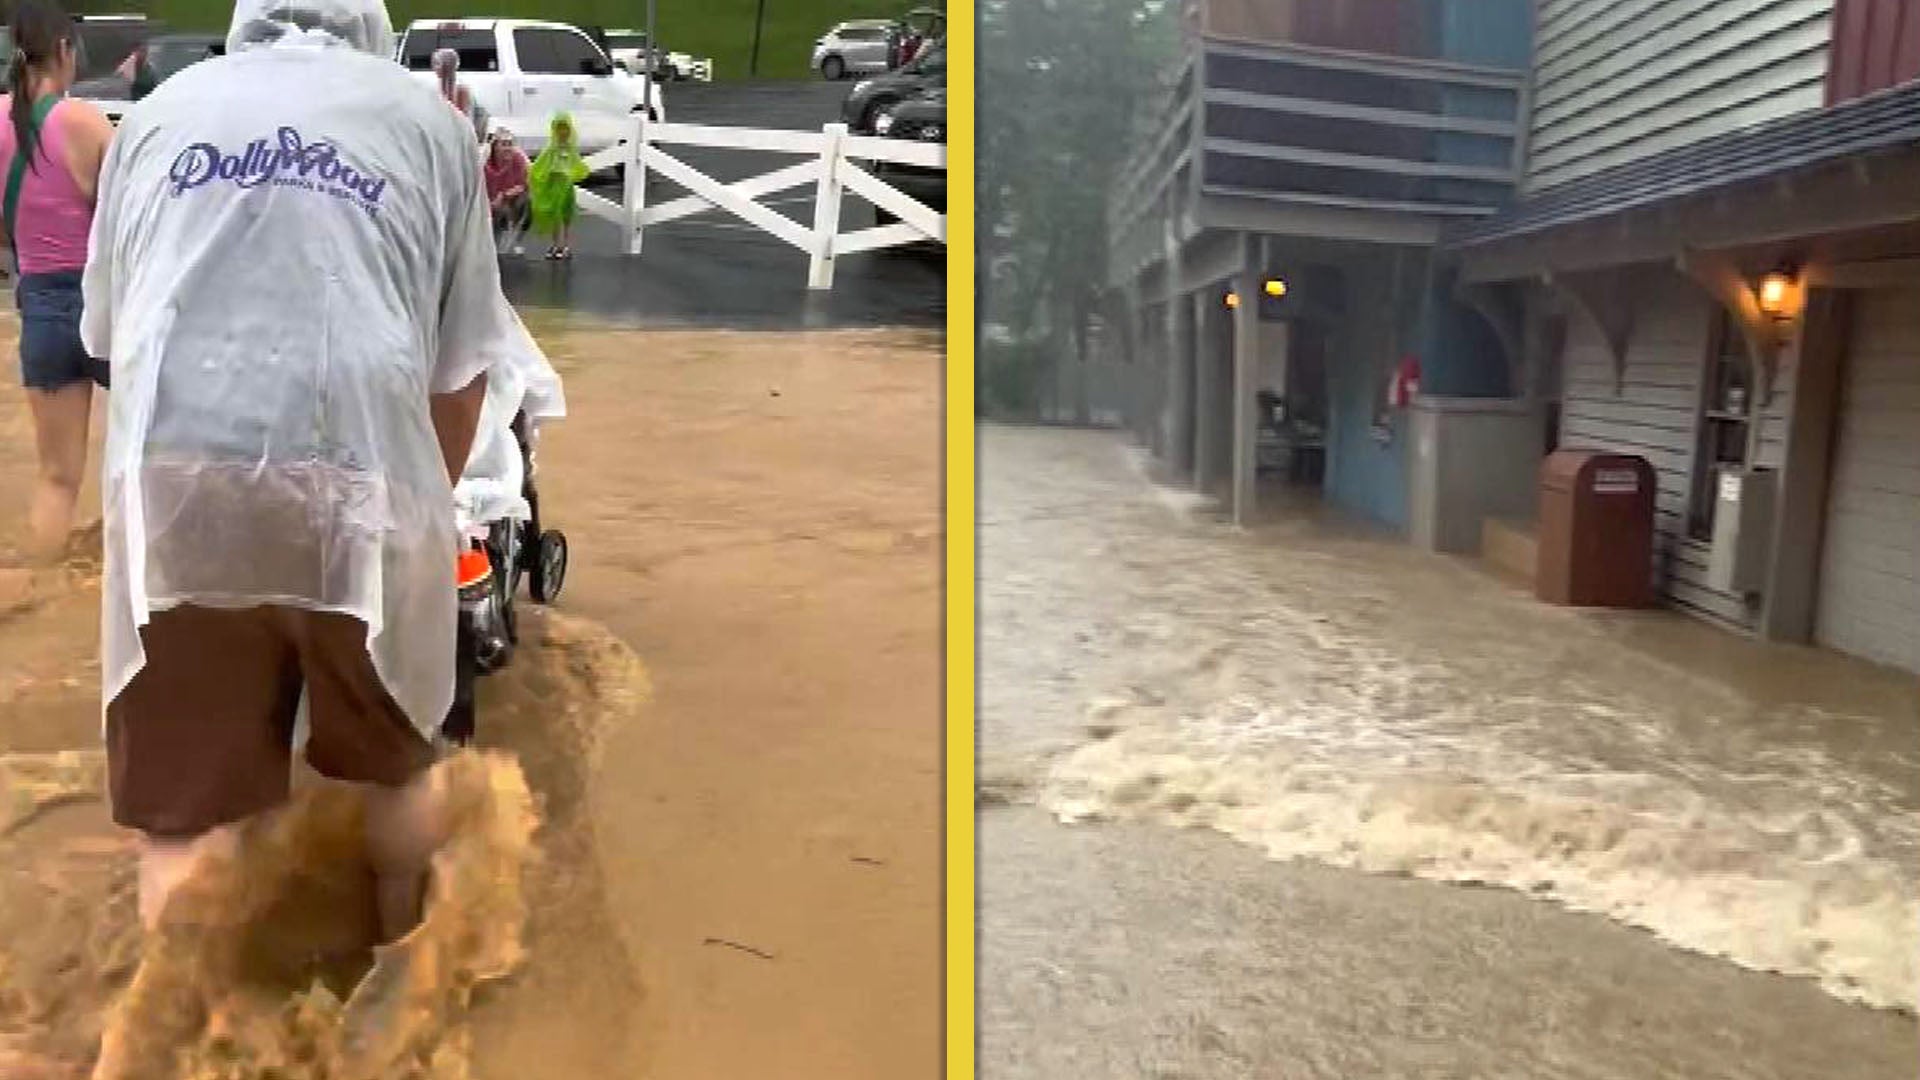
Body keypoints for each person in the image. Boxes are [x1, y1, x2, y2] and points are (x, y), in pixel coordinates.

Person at [77, 0, 510, 1030]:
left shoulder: (160, 114)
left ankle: (187, 1028)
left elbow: (107, 340)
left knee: (183, 807)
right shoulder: (428, 123)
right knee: (396, 760)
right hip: (363, 467)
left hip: (176, 478)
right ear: (369, 26)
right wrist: (421, 521)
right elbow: (461, 372)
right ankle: (403, 981)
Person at [0, 0, 115, 564]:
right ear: (65, 51)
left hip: (40, 305)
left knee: (55, 479)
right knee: (150, 460)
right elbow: (131, 217)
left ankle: (33, 588)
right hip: (104, 304)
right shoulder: (84, 122)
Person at [528, 111, 587, 260]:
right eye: (559, 128)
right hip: (554, 189)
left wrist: (570, 174)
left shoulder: (571, 149)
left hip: (566, 189)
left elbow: (579, 167)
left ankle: (565, 245)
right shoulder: (551, 150)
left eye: (565, 128)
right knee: (555, 217)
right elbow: (538, 166)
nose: (563, 132)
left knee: (566, 217)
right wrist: (546, 175)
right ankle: (555, 244)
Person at [484, 126, 529, 252]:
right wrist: (491, 203)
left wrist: (504, 196)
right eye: (504, 144)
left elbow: (523, 185)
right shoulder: (484, 163)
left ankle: (514, 238)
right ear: (495, 147)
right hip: (486, 201)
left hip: (507, 199)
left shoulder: (518, 159)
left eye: (510, 144)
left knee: (525, 201)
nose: (508, 148)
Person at [430, 45, 488, 143]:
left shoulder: (461, 89)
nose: (434, 68)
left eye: (437, 64)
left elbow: (463, 119)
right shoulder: (435, 88)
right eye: (434, 64)